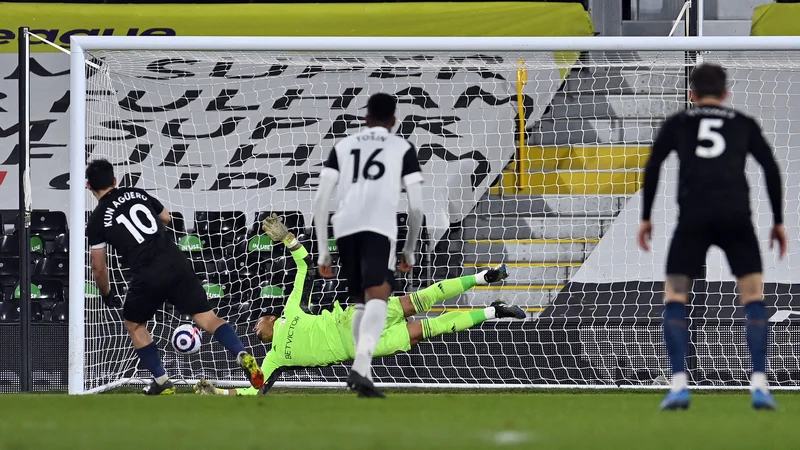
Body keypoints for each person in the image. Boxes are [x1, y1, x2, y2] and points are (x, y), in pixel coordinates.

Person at [193, 215, 523, 396]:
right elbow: (257, 389)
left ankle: (484, 276)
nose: (254, 328)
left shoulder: (292, 309)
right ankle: (494, 311)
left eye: (256, 323)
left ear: (269, 316)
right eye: (254, 329)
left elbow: (305, 266)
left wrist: (288, 239)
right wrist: (221, 394)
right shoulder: (275, 359)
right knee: (429, 328)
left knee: (421, 299)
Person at [638, 64, 787, 410]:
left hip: (693, 217)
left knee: (675, 296)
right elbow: (770, 168)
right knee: (752, 298)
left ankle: (678, 385)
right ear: (725, 94)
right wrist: (778, 221)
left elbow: (654, 164)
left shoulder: (679, 123)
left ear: (691, 94)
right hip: (737, 216)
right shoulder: (743, 123)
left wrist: (646, 217)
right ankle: (760, 386)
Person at [85, 159, 265, 395]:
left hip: (146, 274)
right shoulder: (136, 193)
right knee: (208, 319)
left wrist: (107, 294)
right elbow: (167, 218)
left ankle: (161, 380)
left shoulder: (97, 219)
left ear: (89, 186)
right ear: (115, 180)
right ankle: (241, 353)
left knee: (135, 324)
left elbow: (99, 267)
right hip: (176, 262)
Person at [313, 92, 425, 397]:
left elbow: (321, 199)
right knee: (379, 296)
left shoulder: (343, 146)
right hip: (377, 226)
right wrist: (410, 248)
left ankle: (362, 372)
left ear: (365, 118)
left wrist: (324, 248)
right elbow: (415, 207)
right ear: (394, 121)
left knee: (363, 300)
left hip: (345, 227)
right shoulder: (402, 147)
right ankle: (361, 368)